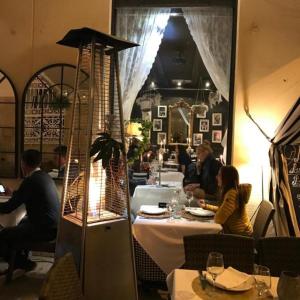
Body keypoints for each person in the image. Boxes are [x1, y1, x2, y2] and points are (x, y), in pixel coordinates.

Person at [0, 149, 60, 272]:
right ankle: (18, 261)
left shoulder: (30, 181)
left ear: (23, 163)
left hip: (43, 230)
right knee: (20, 223)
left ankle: (23, 263)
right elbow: (26, 195)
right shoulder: (44, 176)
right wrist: (14, 193)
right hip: (54, 227)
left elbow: (8, 207)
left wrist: (14, 197)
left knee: (3, 234)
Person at [198, 165, 253, 236]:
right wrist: (205, 206)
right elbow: (223, 210)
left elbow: (219, 219)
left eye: (219, 175)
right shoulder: (232, 191)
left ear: (226, 178)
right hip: (239, 233)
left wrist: (216, 212)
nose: (216, 177)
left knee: (204, 236)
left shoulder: (232, 194)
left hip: (241, 238)